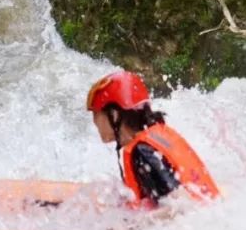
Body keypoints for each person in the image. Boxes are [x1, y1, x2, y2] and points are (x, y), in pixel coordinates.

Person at [86, 71, 219, 208]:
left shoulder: (142, 151)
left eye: (96, 114)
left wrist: (132, 226)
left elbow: (179, 206)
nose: (94, 121)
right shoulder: (157, 136)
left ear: (114, 115)